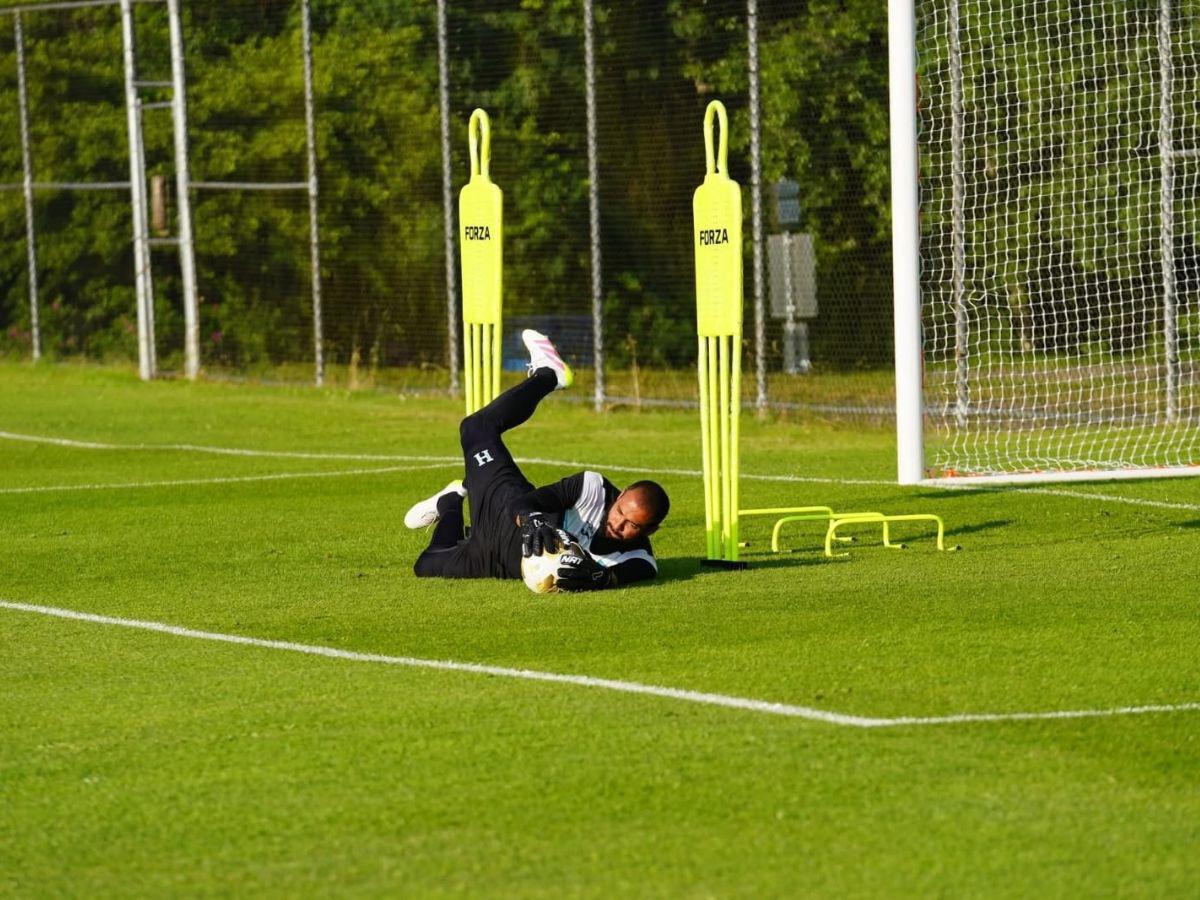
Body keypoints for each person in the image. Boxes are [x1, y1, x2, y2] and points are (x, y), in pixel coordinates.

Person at [408, 330, 668, 591]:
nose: (618, 524)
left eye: (632, 525)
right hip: (503, 514)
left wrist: (599, 578)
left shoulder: (639, 559)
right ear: (620, 496)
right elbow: (524, 503)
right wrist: (535, 520)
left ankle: (451, 500)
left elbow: (622, 576)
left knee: (425, 565)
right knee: (475, 428)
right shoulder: (593, 488)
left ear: (650, 531)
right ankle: (549, 375)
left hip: (494, 564)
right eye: (620, 511)